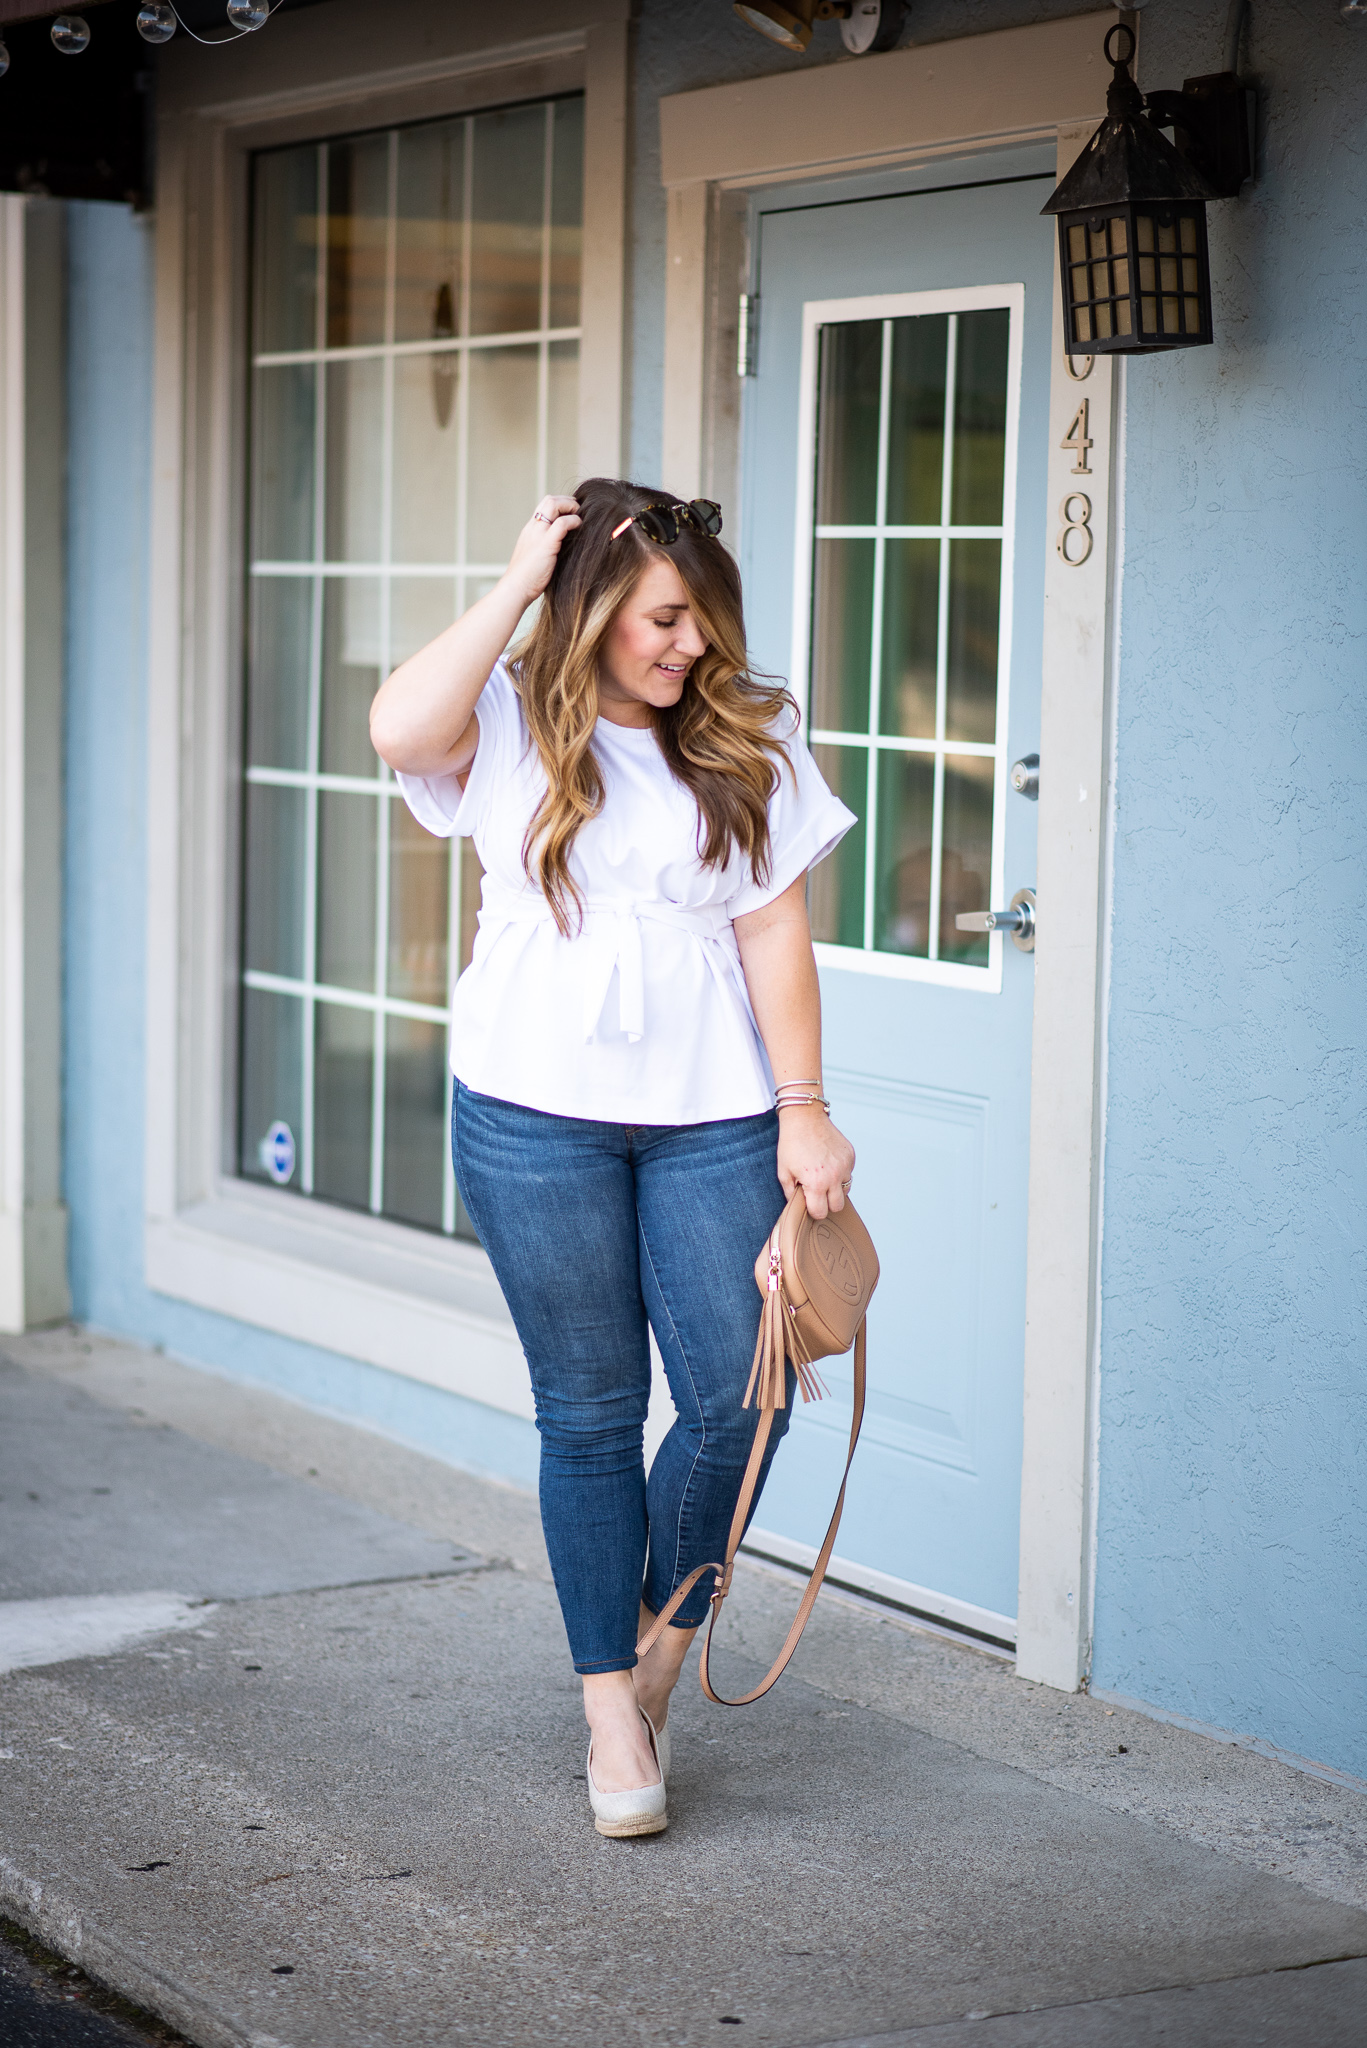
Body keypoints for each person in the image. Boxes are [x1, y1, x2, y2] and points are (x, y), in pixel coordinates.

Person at [370, 479, 857, 1837]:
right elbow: (397, 725)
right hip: (531, 1115)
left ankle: (655, 1650)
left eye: (700, 621)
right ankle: (608, 1712)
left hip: (714, 1116)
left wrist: (804, 1107)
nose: (686, 646)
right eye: (659, 619)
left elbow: (773, 932)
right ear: (591, 611)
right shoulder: (510, 724)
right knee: (587, 1415)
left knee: (739, 1399)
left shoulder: (749, 737)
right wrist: (521, 579)